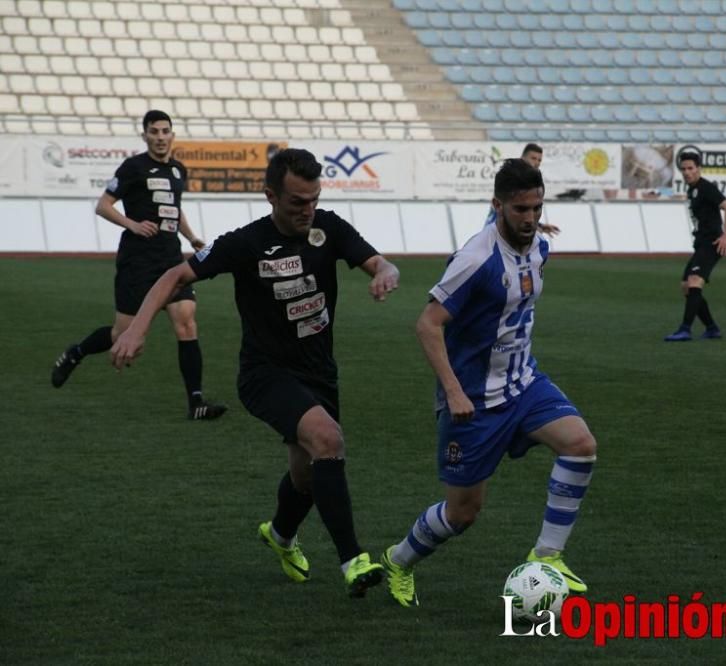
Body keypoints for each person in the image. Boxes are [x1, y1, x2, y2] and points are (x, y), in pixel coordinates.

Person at [110, 149, 400, 597]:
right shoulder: (244, 243)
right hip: (265, 374)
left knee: (307, 474)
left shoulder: (330, 228)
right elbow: (173, 276)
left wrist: (386, 272)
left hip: (319, 373)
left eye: (314, 199)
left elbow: (379, 262)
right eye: (297, 202)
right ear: (270, 196)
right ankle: (353, 560)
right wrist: (137, 331)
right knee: (328, 439)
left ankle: (280, 535)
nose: (308, 210)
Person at [379, 159, 597, 608]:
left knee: (580, 445)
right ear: (497, 205)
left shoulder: (539, 246)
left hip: (523, 383)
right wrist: (455, 391)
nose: (531, 218)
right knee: (463, 513)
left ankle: (547, 555)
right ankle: (398, 560)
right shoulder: (475, 259)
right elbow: (427, 324)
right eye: (520, 209)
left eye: (536, 207)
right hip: (473, 401)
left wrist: (532, 227)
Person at [49, 110, 225, 420]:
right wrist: (132, 225)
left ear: (172, 135)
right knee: (123, 334)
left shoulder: (177, 169)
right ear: (144, 135)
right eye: (154, 131)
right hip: (137, 261)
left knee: (186, 320)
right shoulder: (133, 167)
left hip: (171, 258)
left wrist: (192, 237)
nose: (160, 137)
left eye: (165, 131)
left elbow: (174, 210)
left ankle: (196, 402)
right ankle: (75, 353)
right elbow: (103, 206)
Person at [663, 152, 726, 341]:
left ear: (698, 169)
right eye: (684, 169)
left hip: (712, 244)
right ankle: (712, 328)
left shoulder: (706, 187)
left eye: (690, 168)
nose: (687, 172)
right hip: (701, 244)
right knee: (686, 287)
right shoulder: (692, 190)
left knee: (694, 281)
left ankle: (685, 329)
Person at [484, 143, 559, 236]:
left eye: (539, 160)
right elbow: (505, 212)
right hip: (497, 238)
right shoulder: (511, 177)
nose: (537, 163)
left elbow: (519, 212)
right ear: (523, 158)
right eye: (533, 158)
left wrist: (540, 226)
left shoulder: (529, 182)